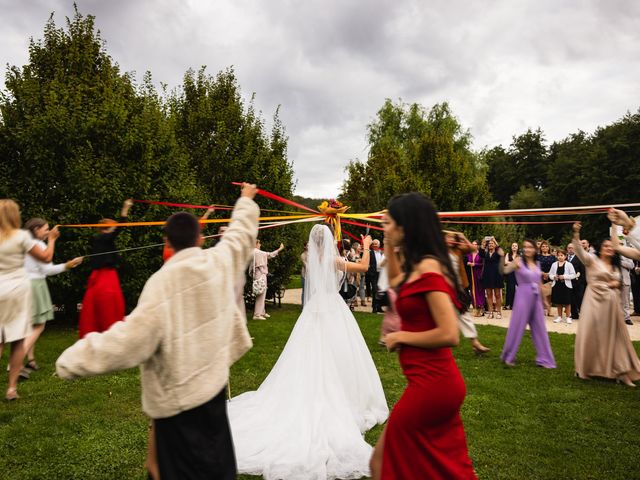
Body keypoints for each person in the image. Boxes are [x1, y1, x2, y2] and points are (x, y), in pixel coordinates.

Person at [56, 183, 260, 479]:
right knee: (216, 467)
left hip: (180, 408)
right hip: (209, 393)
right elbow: (241, 234)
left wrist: (71, 359)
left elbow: (127, 339)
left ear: (167, 242)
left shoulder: (160, 284)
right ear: (200, 238)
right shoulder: (218, 262)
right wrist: (244, 200)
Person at [228, 226, 388, 479]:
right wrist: (367, 246)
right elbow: (364, 267)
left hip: (315, 309)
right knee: (338, 353)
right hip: (332, 309)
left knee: (310, 351)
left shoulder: (313, 260)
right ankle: (343, 396)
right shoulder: (333, 260)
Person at [370, 193, 477, 480]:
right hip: (427, 381)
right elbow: (395, 283)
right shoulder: (417, 265)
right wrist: (390, 245)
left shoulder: (430, 268)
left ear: (406, 226)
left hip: (434, 384)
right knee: (438, 468)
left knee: (382, 463)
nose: (386, 227)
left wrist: (401, 336)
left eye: (390, 223)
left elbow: (449, 333)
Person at [0, 199, 59, 401]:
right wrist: (51, 239)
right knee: (17, 341)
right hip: (17, 289)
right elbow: (46, 258)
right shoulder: (21, 237)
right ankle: (11, 389)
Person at [572, 222, 640, 387]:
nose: (609, 248)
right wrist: (576, 234)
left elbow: (618, 283)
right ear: (601, 249)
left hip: (611, 307)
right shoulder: (592, 260)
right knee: (590, 335)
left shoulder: (616, 266)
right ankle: (585, 368)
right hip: (593, 303)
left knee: (617, 337)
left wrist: (614, 284)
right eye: (606, 246)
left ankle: (622, 372)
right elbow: (579, 250)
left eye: (611, 246)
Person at [22, 218, 83, 372]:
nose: (48, 231)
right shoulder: (39, 245)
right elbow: (47, 269)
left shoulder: (24, 244)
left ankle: (30, 360)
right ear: (36, 230)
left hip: (23, 285)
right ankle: (16, 360)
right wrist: (68, 265)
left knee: (30, 325)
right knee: (39, 325)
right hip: (35, 286)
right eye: (45, 229)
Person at [78, 199, 133, 338]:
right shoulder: (104, 238)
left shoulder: (100, 239)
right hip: (106, 277)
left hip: (100, 276)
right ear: (106, 228)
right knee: (108, 303)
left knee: (101, 303)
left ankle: (103, 329)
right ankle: (109, 330)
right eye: (112, 227)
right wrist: (125, 209)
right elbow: (121, 227)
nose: (114, 228)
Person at [500, 240, 556, 369]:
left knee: (540, 328)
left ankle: (544, 358)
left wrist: (545, 302)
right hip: (523, 297)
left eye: (530, 247)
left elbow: (539, 284)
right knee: (517, 327)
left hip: (536, 299)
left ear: (535, 249)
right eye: (525, 247)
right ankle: (509, 356)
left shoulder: (537, 263)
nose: (527, 249)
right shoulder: (518, 261)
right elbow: (505, 270)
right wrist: (501, 257)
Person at [446, 232, 490, 354]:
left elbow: (472, 248)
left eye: (452, 238)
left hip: (456, 288)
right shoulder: (439, 249)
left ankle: (475, 342)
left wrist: (461, 236)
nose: (449, 239)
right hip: (442, 288)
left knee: (464, 314)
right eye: (447, 237)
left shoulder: (458, 250)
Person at [251, 239, 284, 320]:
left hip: (258, 274)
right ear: (256, 244)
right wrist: (280, 249)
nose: (260, 244)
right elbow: (269, 255)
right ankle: (257, 315)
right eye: (259, 243)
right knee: (261, 294)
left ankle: (262, 312)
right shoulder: (257, 252)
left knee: (262, 293)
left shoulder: (253, 252)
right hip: (260, 275)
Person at [549, 249, 576, 324]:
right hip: (556, 285)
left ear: (565, 256)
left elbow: (573, 275)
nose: (560, 257)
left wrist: (564, 276)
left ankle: (568, 317)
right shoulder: (554, 264)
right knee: (558, 302)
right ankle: (559, 317)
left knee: (567, 302)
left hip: (566, 286)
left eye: (562, 255)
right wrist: (554, 277)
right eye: (558, 255)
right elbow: (550, 274)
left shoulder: (569, 264)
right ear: (557, 256)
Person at [479, 237, 504, 319]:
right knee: (489, 294)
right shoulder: (485, 253)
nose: (490, 245)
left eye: (492, 243)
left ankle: (499, 312)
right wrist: (483, 242)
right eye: (489, 244)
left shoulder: (497, 253)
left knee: (497, 294)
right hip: (487, 275)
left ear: (494, 245)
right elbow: (480, 252)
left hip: (496, 275)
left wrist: (495, 240)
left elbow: (501, 250)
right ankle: (490, 312)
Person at [537, 241, 556, 317]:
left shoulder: (553, 257)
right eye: (543, 246)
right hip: (539, 276)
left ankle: (549, 310)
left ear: (549, 248)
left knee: (549, 294)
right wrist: (542, 273)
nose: (545, 248)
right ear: (540, 248)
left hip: (550, 276)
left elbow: (555, 267)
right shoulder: (537, 256)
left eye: (546, 246)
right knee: (541, 293)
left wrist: (548, 274)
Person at [567, 242, 585, 319]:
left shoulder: (579, 258)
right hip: (568, 282)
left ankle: (583, 314)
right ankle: (574, 314)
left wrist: (581, 282)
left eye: (572, 248)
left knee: (580, 299)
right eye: (569, 248)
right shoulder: (565, 258)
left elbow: (583, 271)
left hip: (578, 283)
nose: (570, 249)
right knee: (571, 299)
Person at [466, 241, 485, 316]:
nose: (474, 246)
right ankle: (475, 307)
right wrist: (468, 263)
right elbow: (466, 262)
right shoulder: (469, 254)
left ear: (477, 246)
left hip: (479, 275)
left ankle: (481, 307)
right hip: (471, 275)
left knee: (480, 291)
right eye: (472, 244)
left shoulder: (480, 254)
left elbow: (483, 264)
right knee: (473, 290)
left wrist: (475, 264)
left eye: (475, 244)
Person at [504, 242, 519, 309]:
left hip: (517, 274)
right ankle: (507, 304)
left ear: (518, 247)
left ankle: (514, 305)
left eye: (515, 246)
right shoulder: (508, 254)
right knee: (509, 289)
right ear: (511, 247)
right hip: (510, 273)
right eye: (513, 245)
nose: (514, 247)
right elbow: (505, 262)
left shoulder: (519, 255)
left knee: (516, 289)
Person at [300, 242, 308, 307]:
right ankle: (303, 305)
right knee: (304, 291)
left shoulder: (314, 254)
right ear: (305, 247)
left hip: (312, 276)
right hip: (305, 275)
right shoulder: (303, 255)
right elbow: (306, 265)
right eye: (308, 245)